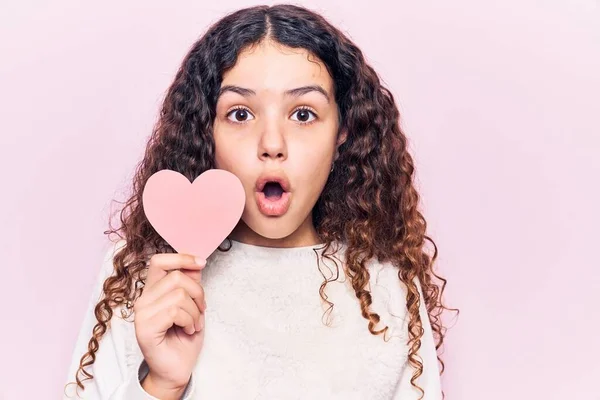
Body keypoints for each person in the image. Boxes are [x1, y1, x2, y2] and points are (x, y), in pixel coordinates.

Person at [63, 4, 455, 400]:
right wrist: (162, 384)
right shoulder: (141, 277)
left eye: (303, 114)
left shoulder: (386, 285)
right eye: (240, 113)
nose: (272, 144)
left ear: (343, 133)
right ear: (207, 131)